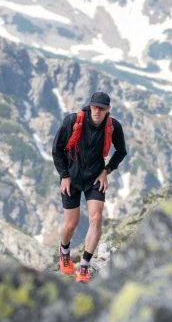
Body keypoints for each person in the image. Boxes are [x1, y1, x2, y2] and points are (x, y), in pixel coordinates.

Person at [51, 91, 127, 283]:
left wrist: (106, 171)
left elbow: (121, 151)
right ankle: (64, 251)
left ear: (108, 110)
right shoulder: (73, 121)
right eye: (94, 107)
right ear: (90, 105)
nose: (97, 111)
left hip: (95, 178)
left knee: (96, 218)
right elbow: (57, 150)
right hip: (72, 177)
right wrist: (65, 176)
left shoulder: (113, 126)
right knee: (71, 224)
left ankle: (84, 267)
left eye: (101, 108)